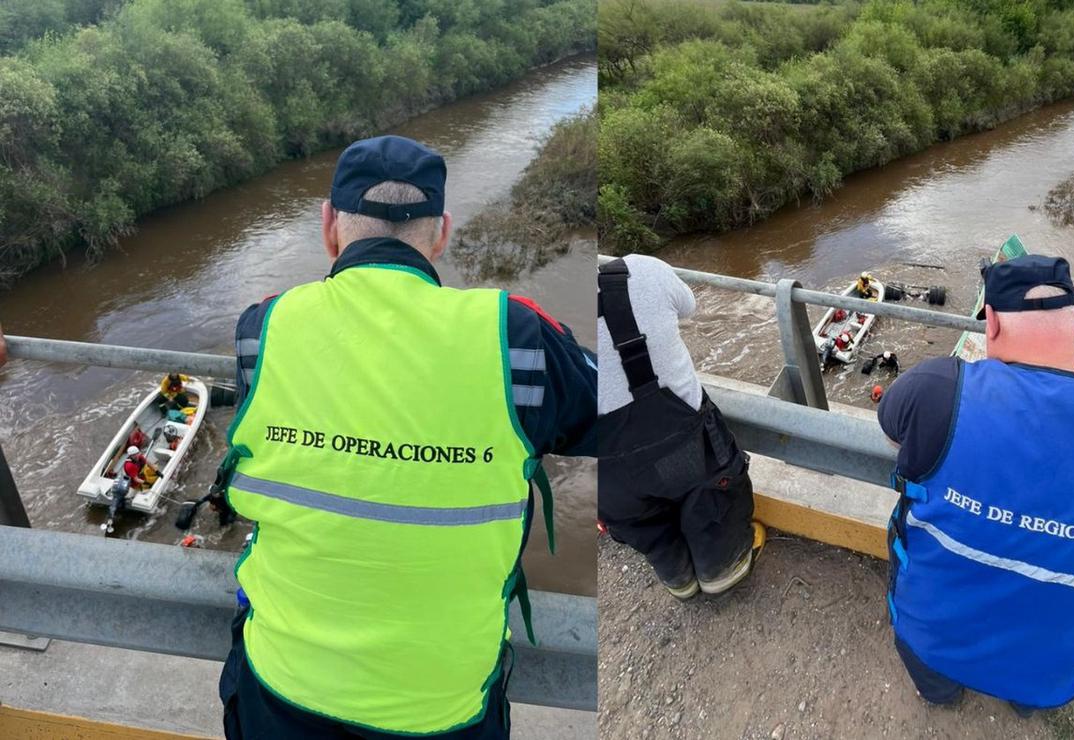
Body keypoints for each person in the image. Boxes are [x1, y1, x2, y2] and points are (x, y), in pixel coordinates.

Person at [212, 135, 596, 740]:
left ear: (329, 227)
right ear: (441, 233)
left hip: (278, 695)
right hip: (446, 713)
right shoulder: (516, 334)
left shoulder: (263, 328)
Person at [877, 255, 1074, 714]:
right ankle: (1024, 705)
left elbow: (890, 431)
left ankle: (942, 697)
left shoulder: (936, 389)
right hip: (1052, 665)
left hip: (933, 638)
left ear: (993, 323)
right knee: (1034, 688)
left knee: (935, 672)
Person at [598, 255, 756, 601]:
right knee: (711, 500)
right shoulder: (643, 270)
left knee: (644, 526)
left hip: (604, 473)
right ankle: (721, 571)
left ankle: (679, 580)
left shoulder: (534, 321)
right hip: (681, 451)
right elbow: (689, 307)